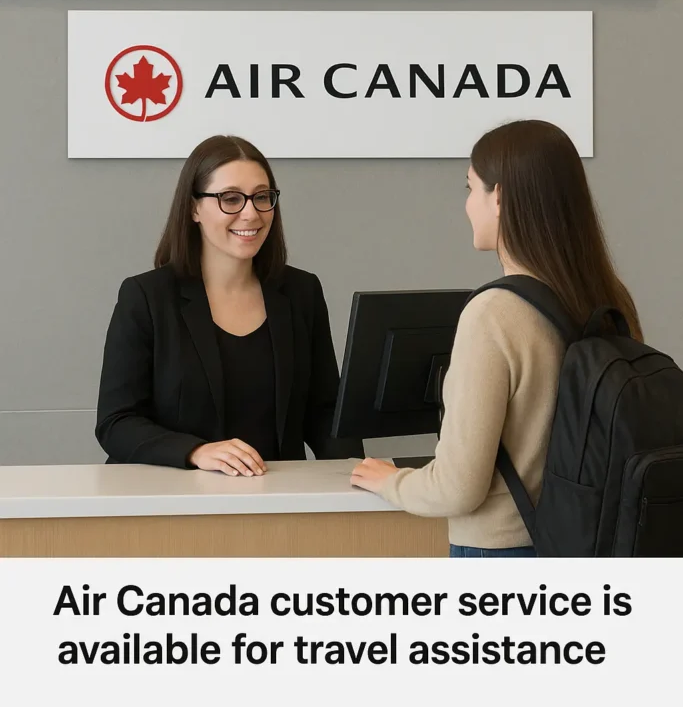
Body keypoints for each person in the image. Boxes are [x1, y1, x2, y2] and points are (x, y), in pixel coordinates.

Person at [351, 119, 642, 556]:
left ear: (500, 198)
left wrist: (392, 481)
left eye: (470, 188)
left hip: (503, 554)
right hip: (591, 543)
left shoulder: (493, 315)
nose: (468, 204)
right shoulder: (610, 297)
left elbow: (457, 489)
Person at [96, 134, 361, 474]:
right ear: (194, 208)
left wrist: (359, 472)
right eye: (230, 199)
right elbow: (116, 422)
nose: (251, 213)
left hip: (276, 498)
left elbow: (324, 413)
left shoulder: (301, 291)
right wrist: (196, 451)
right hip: (172, 498)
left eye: (262, 197)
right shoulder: (146, 296)